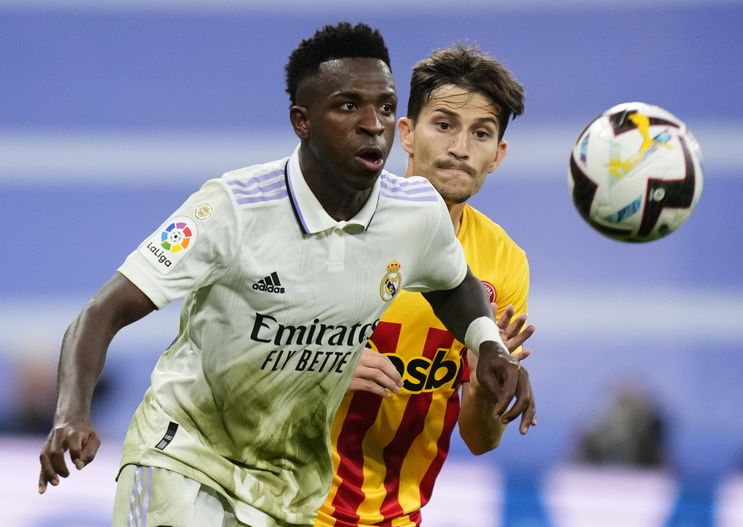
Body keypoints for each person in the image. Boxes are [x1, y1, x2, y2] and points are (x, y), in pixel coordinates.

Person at [36, 22, 535, 527]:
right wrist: (71, 413)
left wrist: (488, 344)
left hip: (288, 494)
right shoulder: (230, 207)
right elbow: (101, 312)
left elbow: (456, 285)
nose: (372, 124)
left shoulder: (418, 217)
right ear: (303, 121)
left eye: (384, 107)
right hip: (185, 460)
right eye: (348, 107)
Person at [316, 44, 535, 527]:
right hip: (286, 505)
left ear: (498, 155)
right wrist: (320, 366)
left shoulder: (503, 263)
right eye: (444, 125)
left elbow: (481, 441)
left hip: (397, 517)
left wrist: (484, 389)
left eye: (481, 133)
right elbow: (235, 366)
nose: (460, 148)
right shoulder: (329, 223)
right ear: (408, 134)